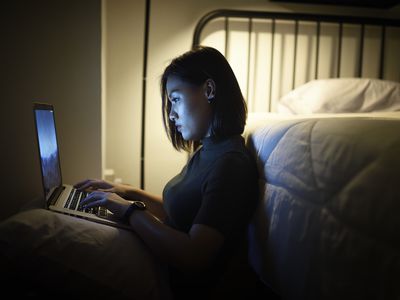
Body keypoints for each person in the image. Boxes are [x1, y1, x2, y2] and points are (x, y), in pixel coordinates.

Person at [74, 46, 260, 299]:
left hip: (171, 285)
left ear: (209, 90)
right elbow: (184, 214)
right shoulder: (209, 151)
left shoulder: (231, 164)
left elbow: (194, 255)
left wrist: (130, 212)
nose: (171, 115)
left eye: (175, 99)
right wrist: (127, 193)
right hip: (155, 264)